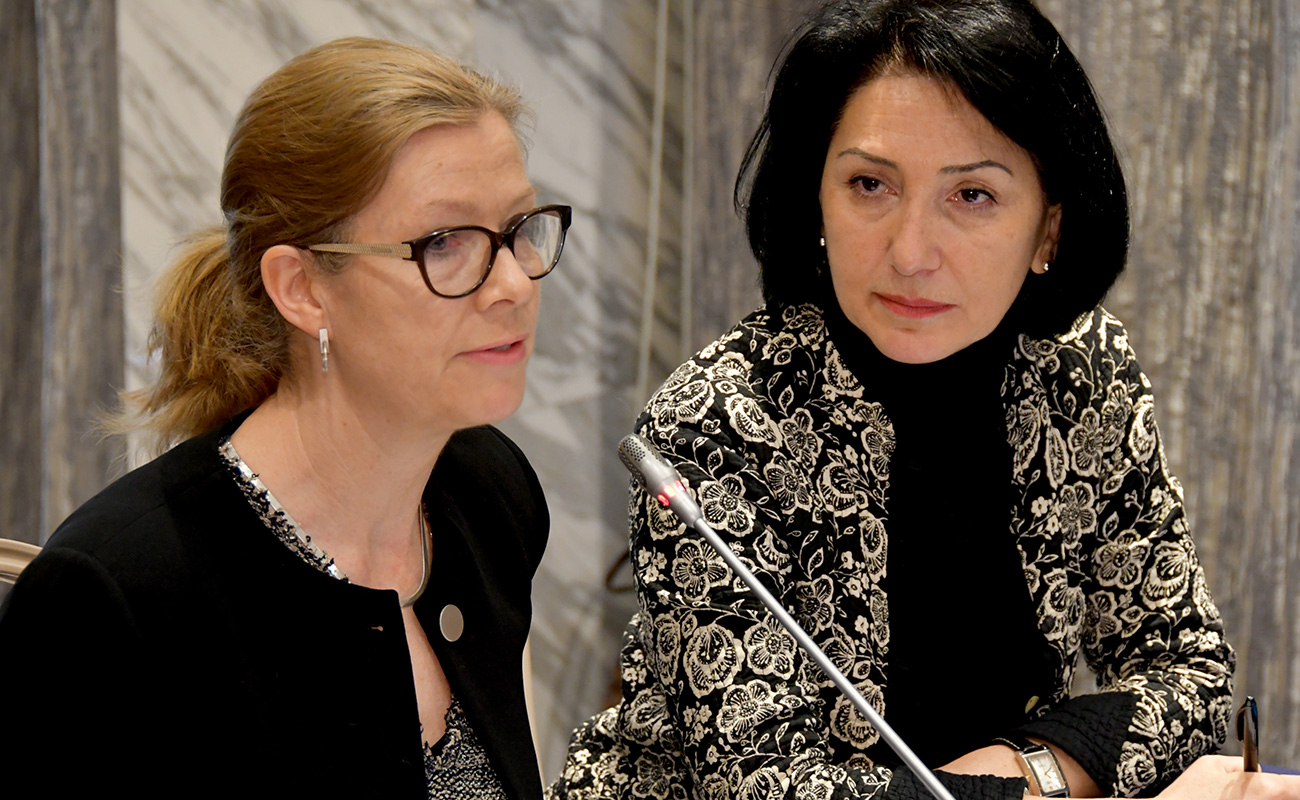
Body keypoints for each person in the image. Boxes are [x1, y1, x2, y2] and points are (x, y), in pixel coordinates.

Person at [551, 1, 1265, 798]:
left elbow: (1191, 671)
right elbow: (771, 789)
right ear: (815, 200)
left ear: (1049, 231)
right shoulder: (714, 425)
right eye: (870, 184)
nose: (911, 252)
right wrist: (1049, 779)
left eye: (972, 195)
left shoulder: (1080, 372)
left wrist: (1021, 773)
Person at [0, 38, 568, 799]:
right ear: (301, 288)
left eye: (519, 228)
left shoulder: (489, 492)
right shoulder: (115, 594)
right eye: (445, 243)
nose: (514, 285)